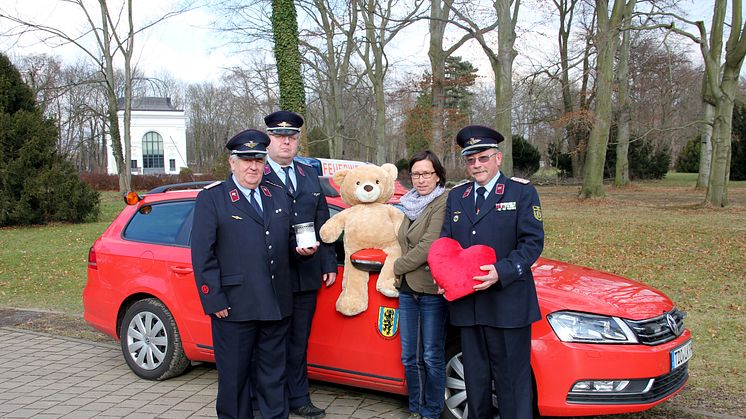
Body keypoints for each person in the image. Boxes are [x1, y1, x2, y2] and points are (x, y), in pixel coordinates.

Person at [191, 129, 300, 419]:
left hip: (275, 305)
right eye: (246, 160)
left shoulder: (276, 195)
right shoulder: (213, 199)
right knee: (235, 380)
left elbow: (284, 240)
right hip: (235, 306)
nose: (253, 166)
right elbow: (203, 254)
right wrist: (213, 300)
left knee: (274, 377)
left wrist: (302, 248)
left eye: (259, 160)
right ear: (232, 163)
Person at [439, 125, 544, 419]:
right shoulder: (457, 196)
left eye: (483, 158)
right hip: (468, 306)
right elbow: (446, 243)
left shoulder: (521, 192)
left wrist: (501, 272)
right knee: (476, 382)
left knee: (511, 383)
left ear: (498, 158)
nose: (476, 165)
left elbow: (532, 243)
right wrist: (443, 275)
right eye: (471, 160)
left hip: (506, 304)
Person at [263, 110, 337, 418]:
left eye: (291, 138)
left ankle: (299, 398)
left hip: (306, 271)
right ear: (268, 140)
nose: (286, 142)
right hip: (271, 273)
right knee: (271, 343)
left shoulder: (308, 175)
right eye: (279, 137)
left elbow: (322, 218)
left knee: (298, 340)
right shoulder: (256, 174)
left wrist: (328, 261)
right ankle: (270, 401)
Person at [393, 150, 449, 419]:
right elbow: (401, 240)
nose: (421, 179)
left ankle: (432, 411)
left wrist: (395, 267)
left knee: (431, 356)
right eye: (416, 174)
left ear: (438, 176)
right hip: (407, 291)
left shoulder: (442, 202)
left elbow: (429, 245)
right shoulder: (408, 203)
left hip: (431, 290)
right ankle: (415, 409)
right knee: (409, 357)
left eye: (427, 173)